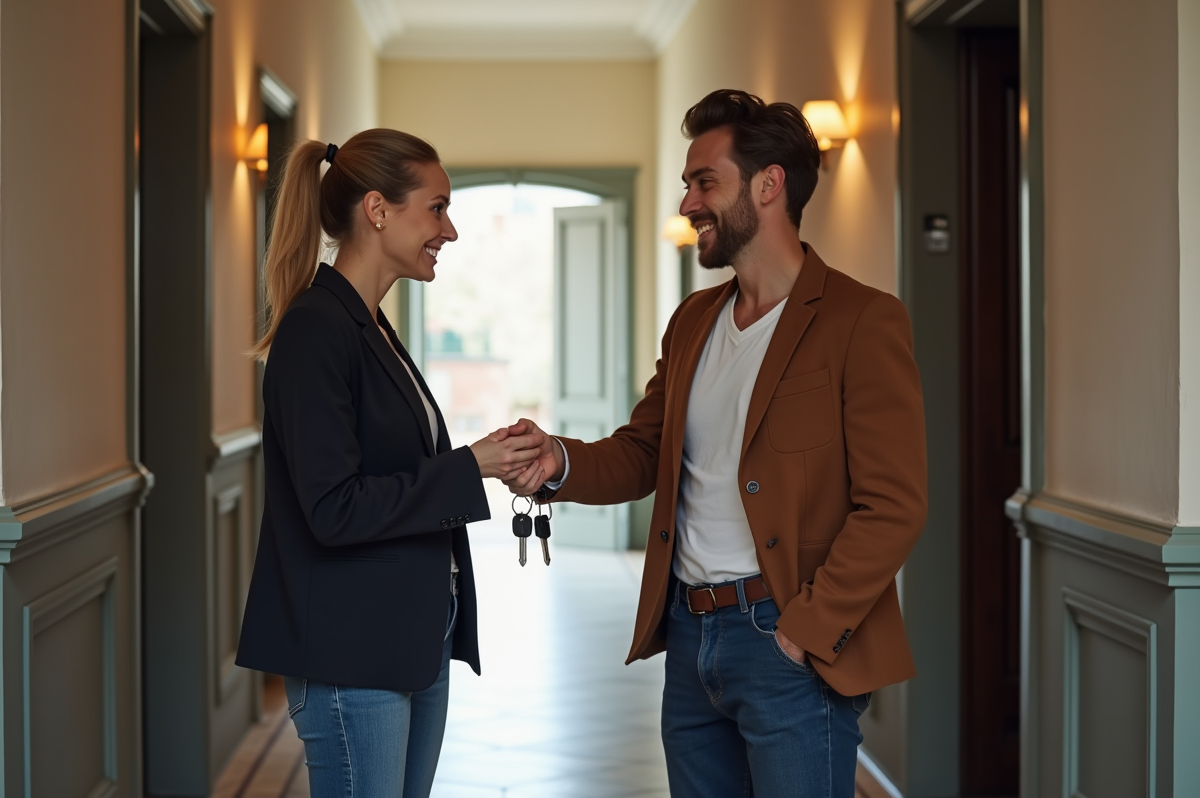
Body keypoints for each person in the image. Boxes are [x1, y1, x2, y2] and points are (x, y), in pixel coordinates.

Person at [504, 90, 928, 797]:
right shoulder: (694, 320)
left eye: (705, 183)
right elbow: (645, 451)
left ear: (768, 186)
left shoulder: (863, 320)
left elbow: (895, 504)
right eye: (686, 185)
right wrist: (562, 460)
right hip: (690, 639)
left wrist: (805, 630)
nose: (688, 203)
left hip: (788, 646)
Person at [235, 129, 544, 798]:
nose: (450, 230)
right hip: (352, 652)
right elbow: (333, 508)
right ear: (377, 210)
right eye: (437, 208)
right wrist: (472, 465)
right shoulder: (316, 328)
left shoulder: (370, 325)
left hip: (409, 637)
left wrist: (488, 460)